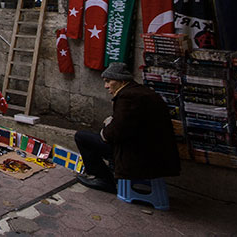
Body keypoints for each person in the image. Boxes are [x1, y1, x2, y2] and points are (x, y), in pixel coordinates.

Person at [74, 62, 180, 193]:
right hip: (150, 150)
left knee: (82, 137)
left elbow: (114, 133)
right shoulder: (140, 91)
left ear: (121, 81)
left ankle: (103, 180)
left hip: (142, 155)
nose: (106, 86)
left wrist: (106, 129)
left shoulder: (128, 97)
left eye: (108, 81)